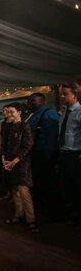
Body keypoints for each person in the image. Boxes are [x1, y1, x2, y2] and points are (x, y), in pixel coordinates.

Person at [1, 103, 38, 232]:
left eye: (11, 112)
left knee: (24, 191)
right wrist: (4, 159)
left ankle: (31, 220)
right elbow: (5, 144)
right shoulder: (9, 127)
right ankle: (18, 215)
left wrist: (15, 161)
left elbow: (27, 146)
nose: (9, 114)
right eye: (7, 112)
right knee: (15, 191)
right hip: (10, 163)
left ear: (19, 112)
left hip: (21, 163)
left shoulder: (25, 126)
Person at [25, 92, 60, 220]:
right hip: (32, 155)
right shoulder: (30, 115)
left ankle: (54, 214)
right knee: (36, 184)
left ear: (41, 101)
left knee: (49, 186)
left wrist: (47, 156)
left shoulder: (49, 114)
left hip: (44, 156)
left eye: (32, 100)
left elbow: (52, 138)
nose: (29, 103)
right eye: (28, 100)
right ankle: (37, 209)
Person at [58, 82, 81, 224]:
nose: (62, 96)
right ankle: (72, 215)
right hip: (64, 154)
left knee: (78, 187)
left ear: (75, 95)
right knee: (68, 187)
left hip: (75, 156)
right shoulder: (65, 113)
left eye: (65, 93)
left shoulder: (79, 112)